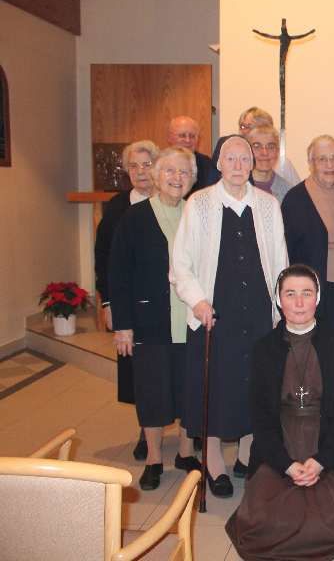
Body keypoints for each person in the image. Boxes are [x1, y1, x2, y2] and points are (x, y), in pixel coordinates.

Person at [225, 265, 334, 560]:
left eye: (306, 294)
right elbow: (260, 417)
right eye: (290, 294)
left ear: (317, 299)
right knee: (269, 524)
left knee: (326, 524)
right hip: (279, 443)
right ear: (279, 300)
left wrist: (321, 461)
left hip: (327, 442)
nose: (299, 302)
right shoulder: (264, 349)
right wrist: (288, 465)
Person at [172, 135, 288, 497]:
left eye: (245, 159)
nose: (238, 166)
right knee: (215, 383)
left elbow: (280, 259)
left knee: (255, 382)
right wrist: (197, 301)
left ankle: (247, 455)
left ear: (253, 164)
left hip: (257, 309)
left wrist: (279, 307)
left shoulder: (268, 205)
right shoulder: (200, 203)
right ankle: (213, 460)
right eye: (230, 159)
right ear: (219, 165)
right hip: (214, 311)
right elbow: (181, 264)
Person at [108, 147, 202, 490]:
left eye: (183, 173)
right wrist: (123, 324)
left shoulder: (198, 214)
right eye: (170, 172)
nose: (177, 178)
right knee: (152, 391)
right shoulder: (134, 218)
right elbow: (118, 273)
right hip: (150, 319)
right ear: (157, 176)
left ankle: (187, 452)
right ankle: (153, 458)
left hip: (191, 320)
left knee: (190, 389)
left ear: (192, 179)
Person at [95, 139, 159, 461]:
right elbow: (103, 257)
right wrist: (109, 305)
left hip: (164, 303)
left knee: (166, 368)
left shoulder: (171, 201)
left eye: (147, 165)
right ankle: (145, 432)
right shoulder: (117, 207)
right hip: (129, 303)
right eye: (133, 166)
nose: (140, 172)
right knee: (137, 372)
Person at [282, 136, 334, 331]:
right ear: (310, 163)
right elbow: (287, 252)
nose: (329, 165)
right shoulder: (295, 199)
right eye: (322, 159)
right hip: (317, 289)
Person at [168, 116, 217, 193]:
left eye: (192, 136)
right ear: (170, 137)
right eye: (182, 135)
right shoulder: (160, 163)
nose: (188, 140)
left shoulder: (207, 164)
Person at [247, 126, 291, 202]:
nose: (264, 153)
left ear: (278, 152)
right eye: (257, 146)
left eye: (270, 147)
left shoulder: (288, 192)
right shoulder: (235, 187)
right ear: (247, 150)